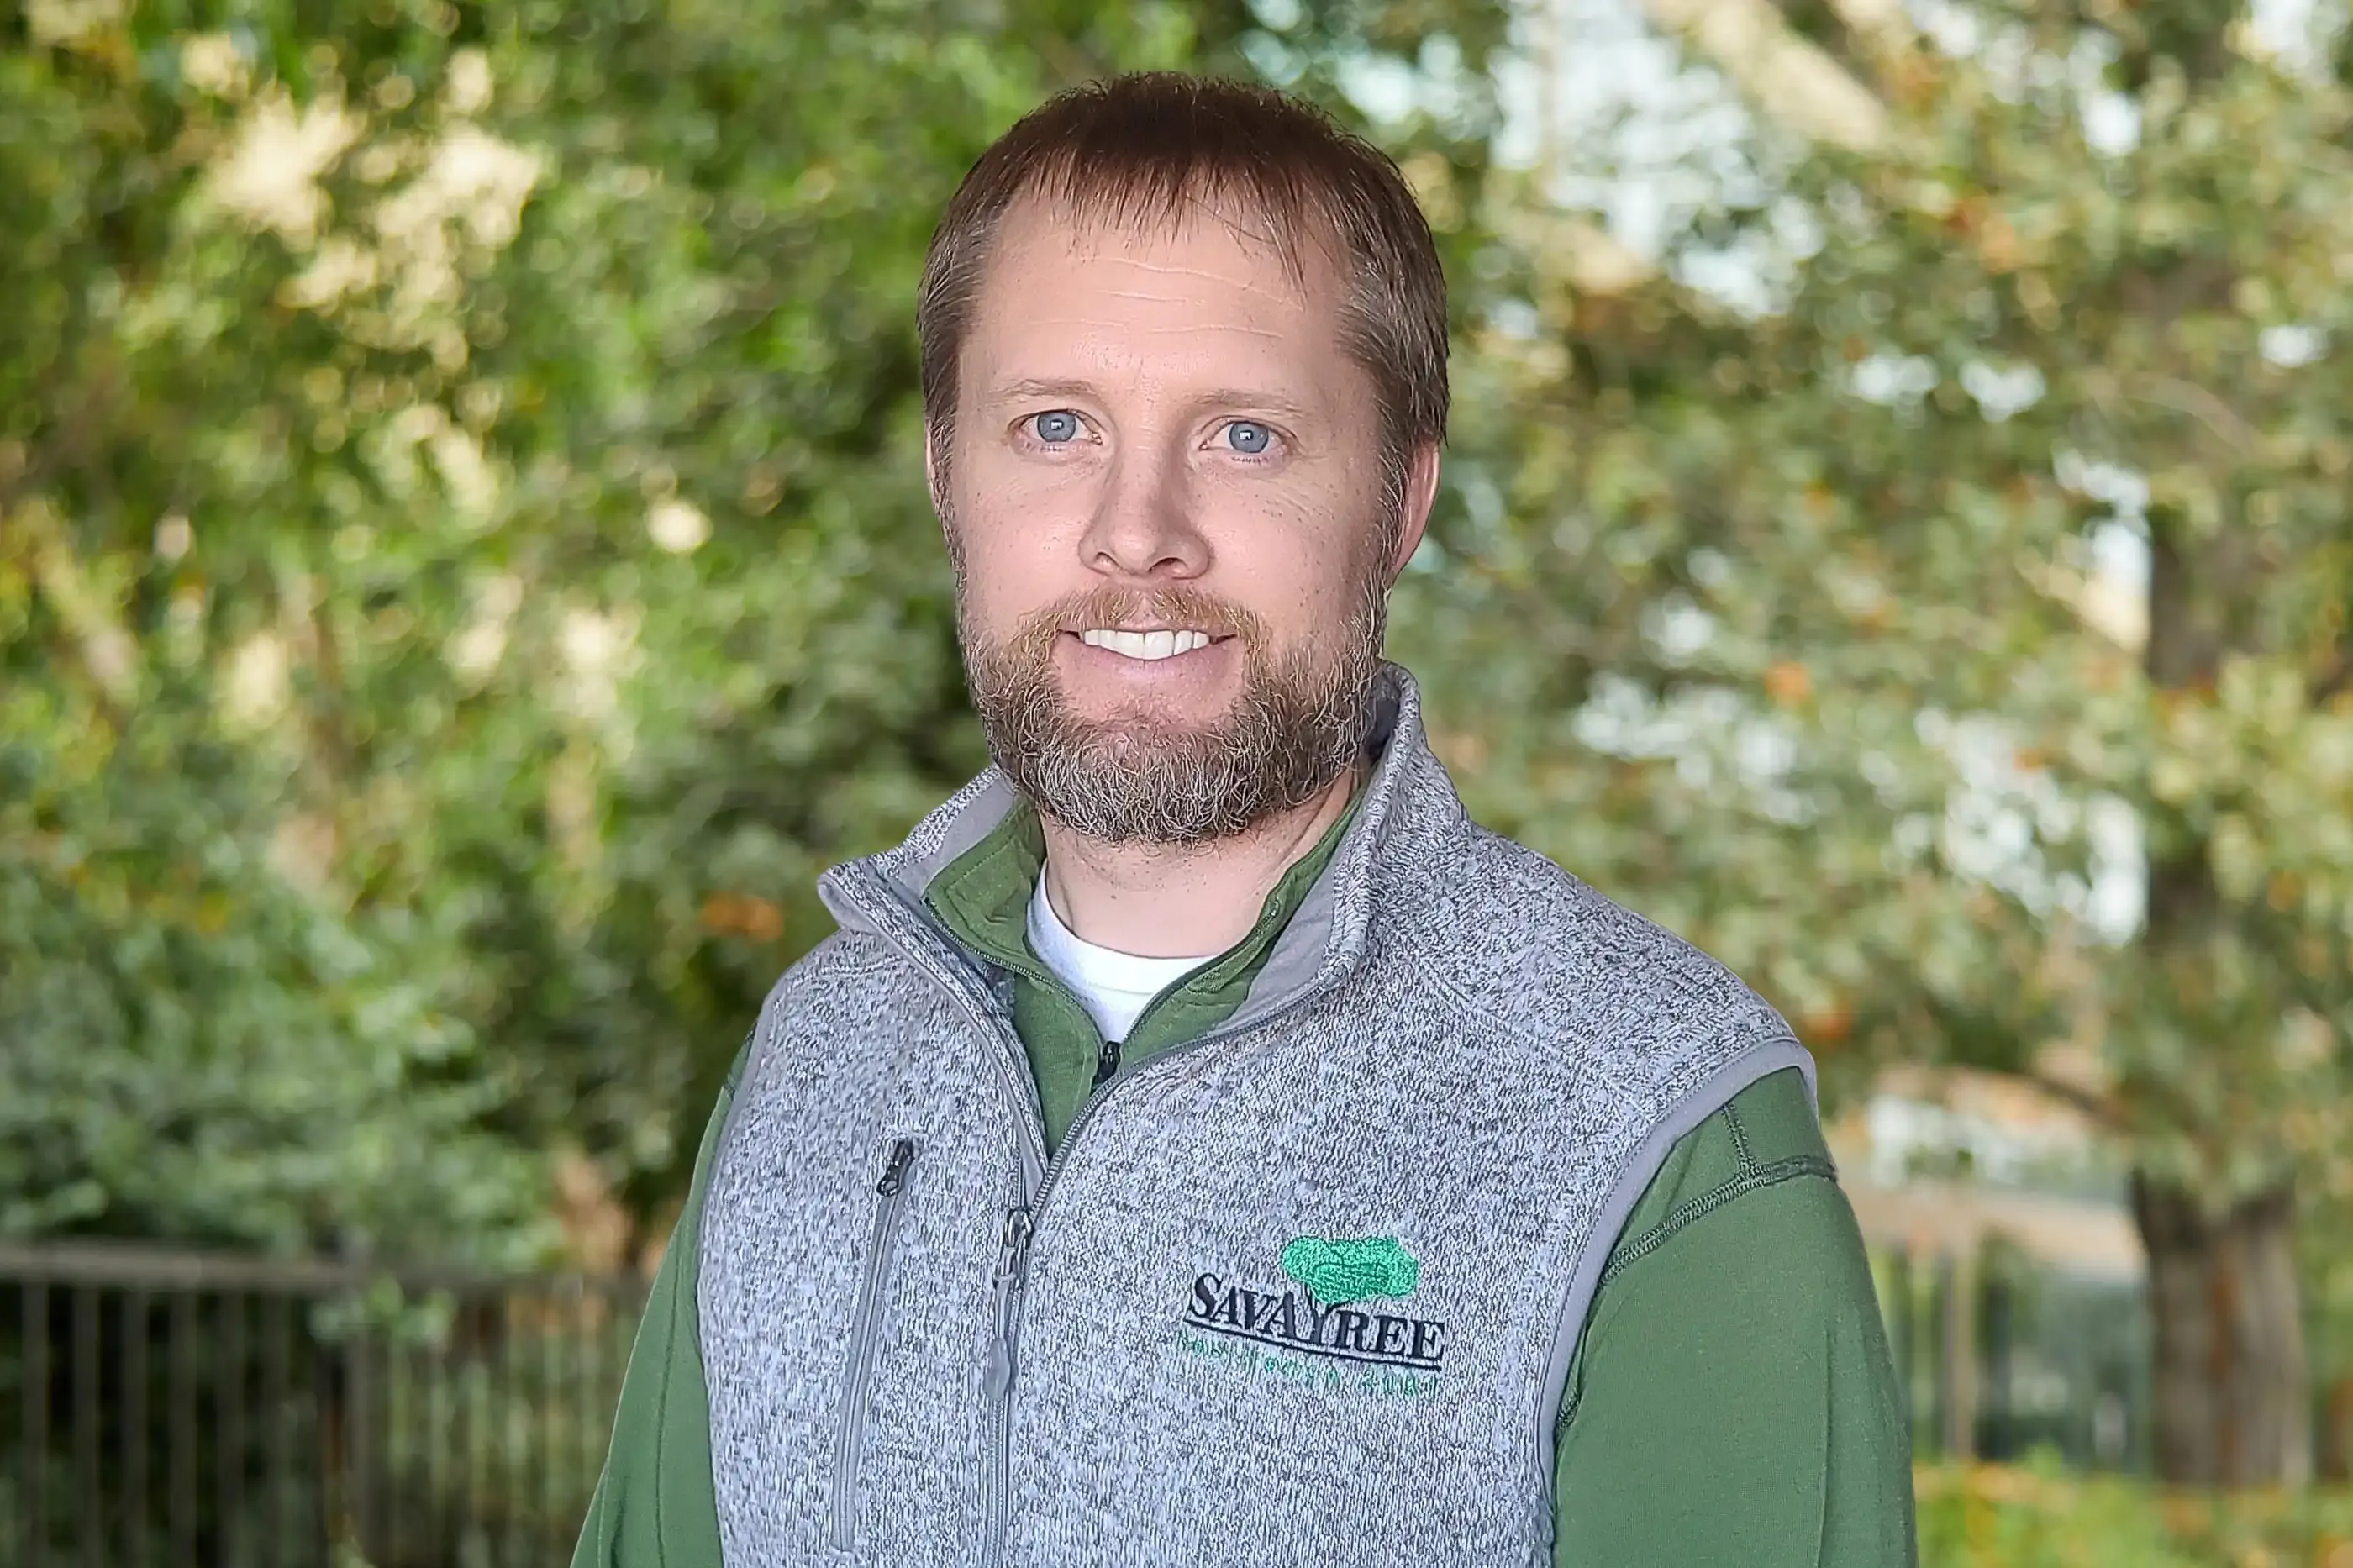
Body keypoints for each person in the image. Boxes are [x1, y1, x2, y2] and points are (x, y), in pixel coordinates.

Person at [572, 71, 1915, 1568]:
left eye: (1246, 438)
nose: (1137, 531)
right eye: (1057, 423)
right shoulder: (818, 1064)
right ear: (949, 476)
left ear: (1400, 505)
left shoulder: (1664, 1132)